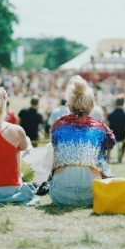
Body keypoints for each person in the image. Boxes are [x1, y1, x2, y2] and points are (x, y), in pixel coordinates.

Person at [50, 75, 115, 206]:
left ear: (70, 106)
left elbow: (54, 145)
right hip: (93, 194)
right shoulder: (101, 127)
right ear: (91, 106)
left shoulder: (58, 125)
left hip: (60, 195)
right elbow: (111, 144)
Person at [107, 97, 125, 163]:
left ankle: (108, 157)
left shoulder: (110, 115)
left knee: (109, 141)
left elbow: (108, 126)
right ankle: (121, 156)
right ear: (123, 104)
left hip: (113, 136)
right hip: (122, 136)